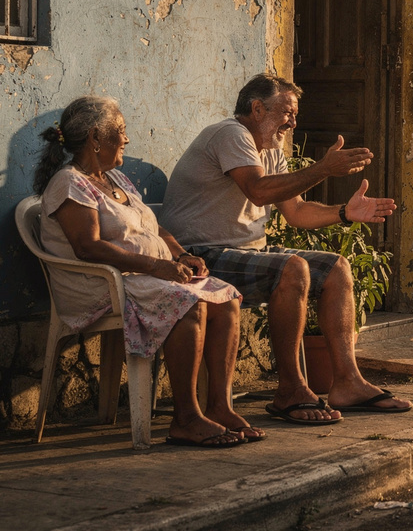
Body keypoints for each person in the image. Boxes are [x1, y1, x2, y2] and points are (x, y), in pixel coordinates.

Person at [161, 74, 412, 425]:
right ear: (257, 108)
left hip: (245, 252)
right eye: (287, 112)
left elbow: (295, 212)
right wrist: (324, 168)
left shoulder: (272, 150)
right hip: (200, 255)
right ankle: (290, 389)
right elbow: (259, 191)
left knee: (336, 267)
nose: (293, 122)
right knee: (292, 268)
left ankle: (347, 382)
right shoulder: (231, 134)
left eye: (295, 114)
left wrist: (343, 213)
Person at [35, 96, 253, 448]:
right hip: (101, 286)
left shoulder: (115, 178)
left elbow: (152, 229)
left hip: (142, 277)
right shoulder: (69, 183)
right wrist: (156, 266)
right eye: (120, 131)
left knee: (224, 299)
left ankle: (219, 406)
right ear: (95, 138)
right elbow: (87, 247)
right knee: (189, 303)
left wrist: (181, 255)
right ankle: (186, 418)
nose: (126, 139)